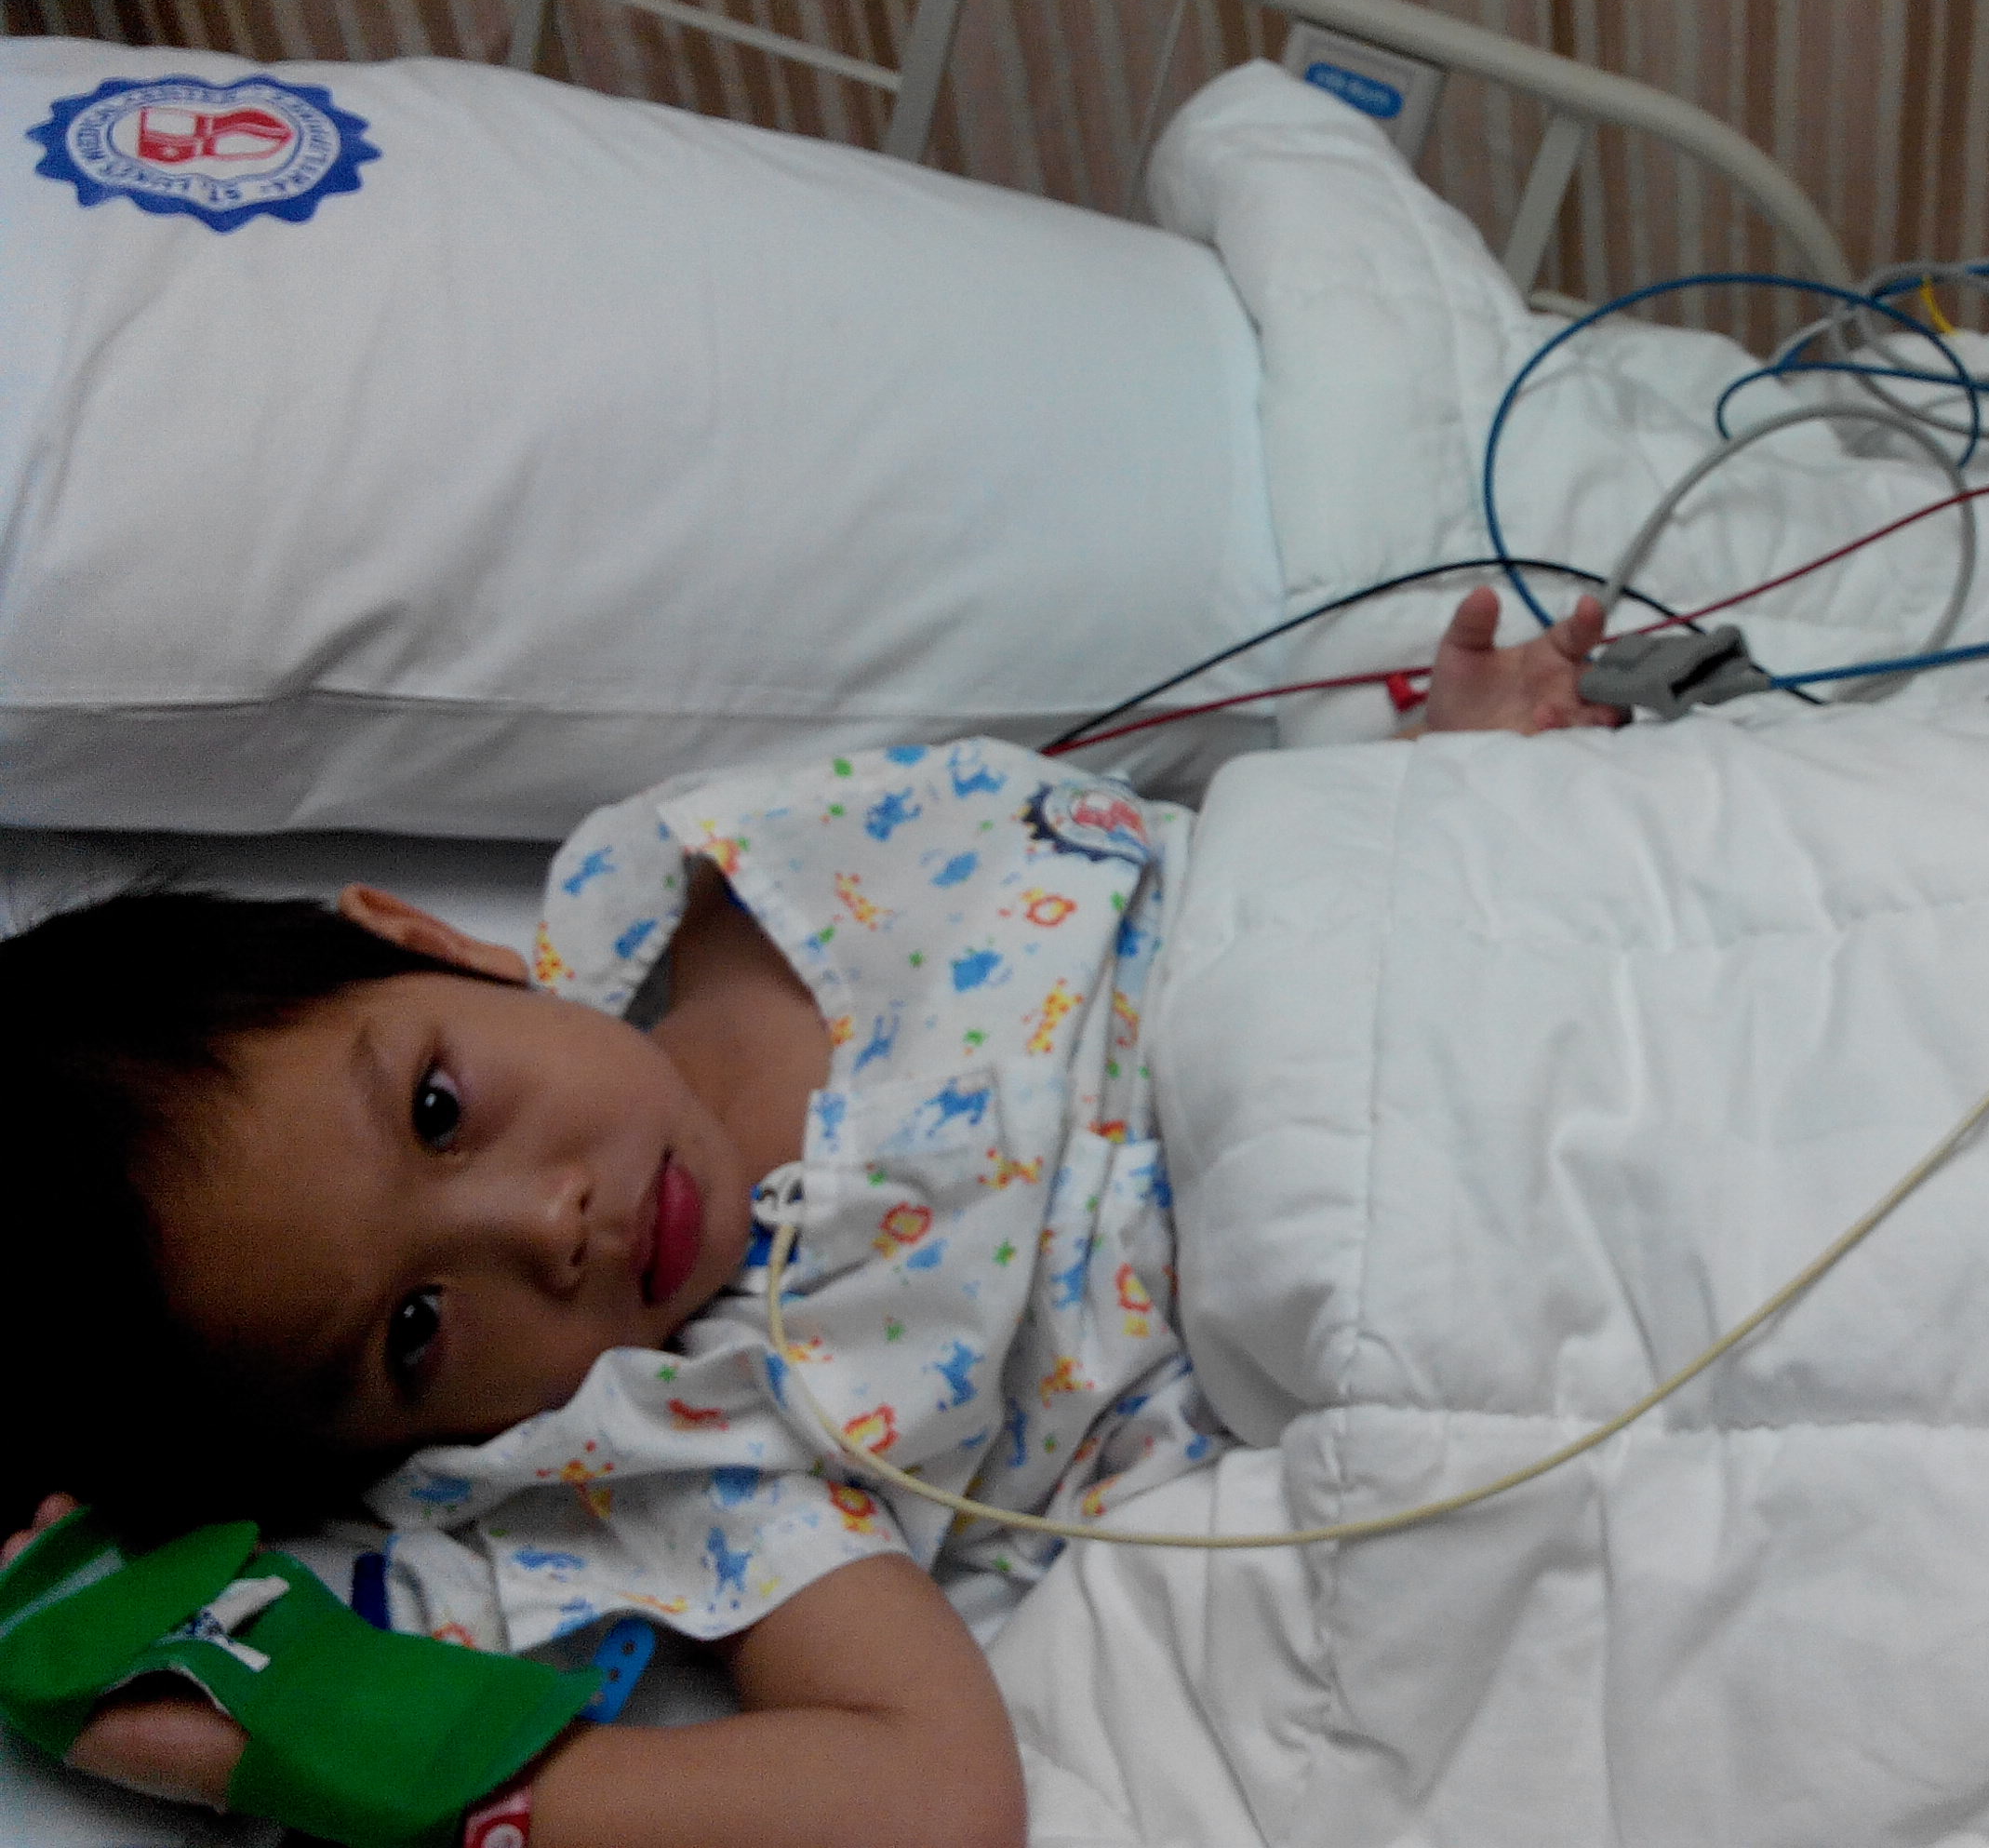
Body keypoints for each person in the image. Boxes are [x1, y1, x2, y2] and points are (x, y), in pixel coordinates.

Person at [0, 588, 1622, 1848]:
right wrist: (341, 1753)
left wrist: (1427, 788)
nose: (547, 1224)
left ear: (432, 943)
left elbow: (1209, 871)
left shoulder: (770, 862)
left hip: (1484, 962)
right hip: (1465, 1251)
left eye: (439, 1109)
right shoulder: (694, 1437)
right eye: (415, 1331)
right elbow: (931, 1800)